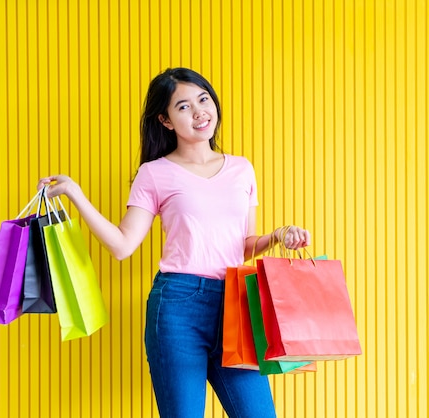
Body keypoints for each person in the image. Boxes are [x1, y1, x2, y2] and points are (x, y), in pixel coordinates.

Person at [38, 67, 310, 418]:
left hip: (237, 304)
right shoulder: (155, 173)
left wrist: (278, 236)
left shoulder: (242, 169)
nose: (199, 111)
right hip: (179, 306)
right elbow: (122, 246)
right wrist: (77, 195)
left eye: (203, 99)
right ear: (165, 120)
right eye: (183, 106)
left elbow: (241, 245)